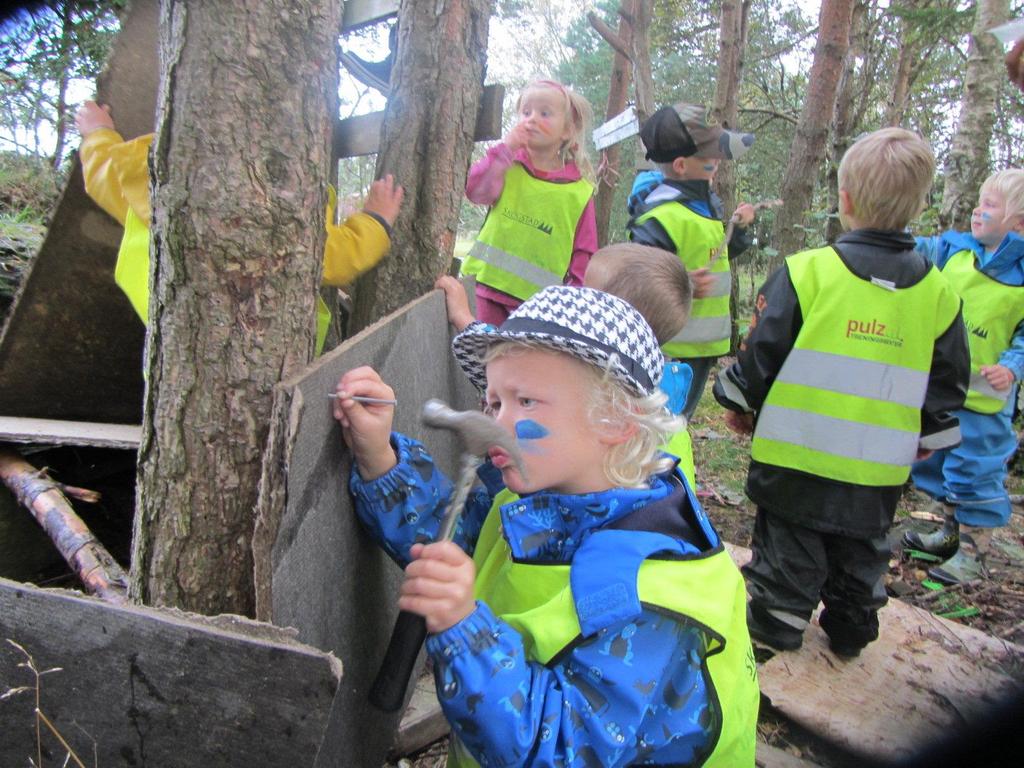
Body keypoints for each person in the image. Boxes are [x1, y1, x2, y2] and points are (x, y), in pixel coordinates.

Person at [333, 285, 759, 766]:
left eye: (526, 402)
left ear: (615, 420)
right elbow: (460, 544)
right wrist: (381, 460)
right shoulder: (539, 499)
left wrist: (465, 631)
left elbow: (560, 748)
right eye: (493, 403)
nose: (496, 421)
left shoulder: (648, 602)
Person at [712, 127, 970, 657]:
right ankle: (855, 619)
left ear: (844, 199)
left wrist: (738, 399)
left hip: (795, 456)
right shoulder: (939, 292)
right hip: (877, 468)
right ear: (919, 206)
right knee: (862, 546)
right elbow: (947, 376)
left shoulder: (808, 272)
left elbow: (762, 349)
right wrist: (931, 431)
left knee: (788, 545)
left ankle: (775, 621)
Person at [74, 100, 404, 354]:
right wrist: (376, 220)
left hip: (172, 346)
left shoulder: (152, 174)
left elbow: (106, 176)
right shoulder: (264, 197)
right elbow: (334, 259)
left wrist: (97, 134)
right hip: (263, 354)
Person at [436, 242, 699, 485]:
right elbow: (514, 381)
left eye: (587, 292)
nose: (574, 297)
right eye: (497, 405)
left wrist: (464, 318)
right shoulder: (641, 403)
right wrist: (465, 321)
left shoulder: (620, 517)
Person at [902, 169, 1024, 584]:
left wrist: (1012, 366)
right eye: (979, 200)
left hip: (985, 399)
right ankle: (947, 533)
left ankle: (974, 551)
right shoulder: (954, 252)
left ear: (1019, 224)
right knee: (937, 461)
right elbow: (913, 249)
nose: (977, 210)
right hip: (940, 390)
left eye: (991, 205)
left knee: (975, 468)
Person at [628, 102, 756, 420]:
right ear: (682, 166)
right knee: (659, 424)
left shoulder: (705, 206)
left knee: (677, 421)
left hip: (699, 348)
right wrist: (683, 281)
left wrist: (737, 231)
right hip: (670, 350)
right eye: (711, 156)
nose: (718, 161)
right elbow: (642, 279)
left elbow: (717, 254)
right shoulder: (660, 216)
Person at [459, 79, 597, 325]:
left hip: (538, 307)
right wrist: (506, 148)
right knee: (477, 358)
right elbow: (475, 191)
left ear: (567, 130)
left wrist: (572, 304)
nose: (532, 119)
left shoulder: (579, 191)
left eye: (544, 113)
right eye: (526, 112)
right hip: (483, 288)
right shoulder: (507, 165)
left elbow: (583, 255)